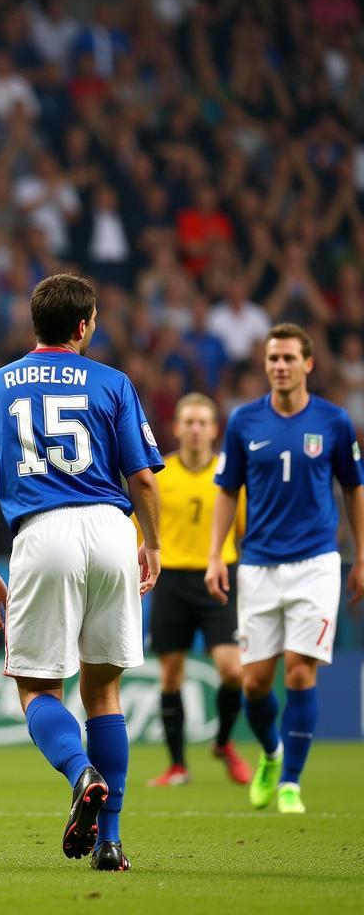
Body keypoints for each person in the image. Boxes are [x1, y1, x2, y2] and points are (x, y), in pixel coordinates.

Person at [0, 273, 163, 873]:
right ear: (83, 326)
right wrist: (152, 545)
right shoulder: (114, 383)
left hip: (42, 534)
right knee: (105, 691)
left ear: (33, 325)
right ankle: (111, 842)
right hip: (111, 528)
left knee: (37, 689)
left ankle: (79, 772)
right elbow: (142, 478)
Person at [207, 323, 364, 815]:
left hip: (317, 561)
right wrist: (216, 554)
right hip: (257, 564)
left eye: (289, 358)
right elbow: (227, 490)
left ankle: (292, 782)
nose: (279, 366)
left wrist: (361, 556)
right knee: (254, 682)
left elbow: (354, 488)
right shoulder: (243, 422)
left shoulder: (334, 422)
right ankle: (272, 753)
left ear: (307, 364)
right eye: (273, 358)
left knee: (299, 674)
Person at [147, 393, 251, 787]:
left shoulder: (229, 476)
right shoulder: (160, 475)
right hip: (171, 580)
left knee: (232, 671)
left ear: (214, 429)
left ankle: (223, 742)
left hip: (218, 579)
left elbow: (244, 532)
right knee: (171, 675)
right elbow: (141, 534)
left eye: (201, 422)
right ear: (175, 427)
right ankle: (178, 766)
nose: (194, 428)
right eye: (187, 421)